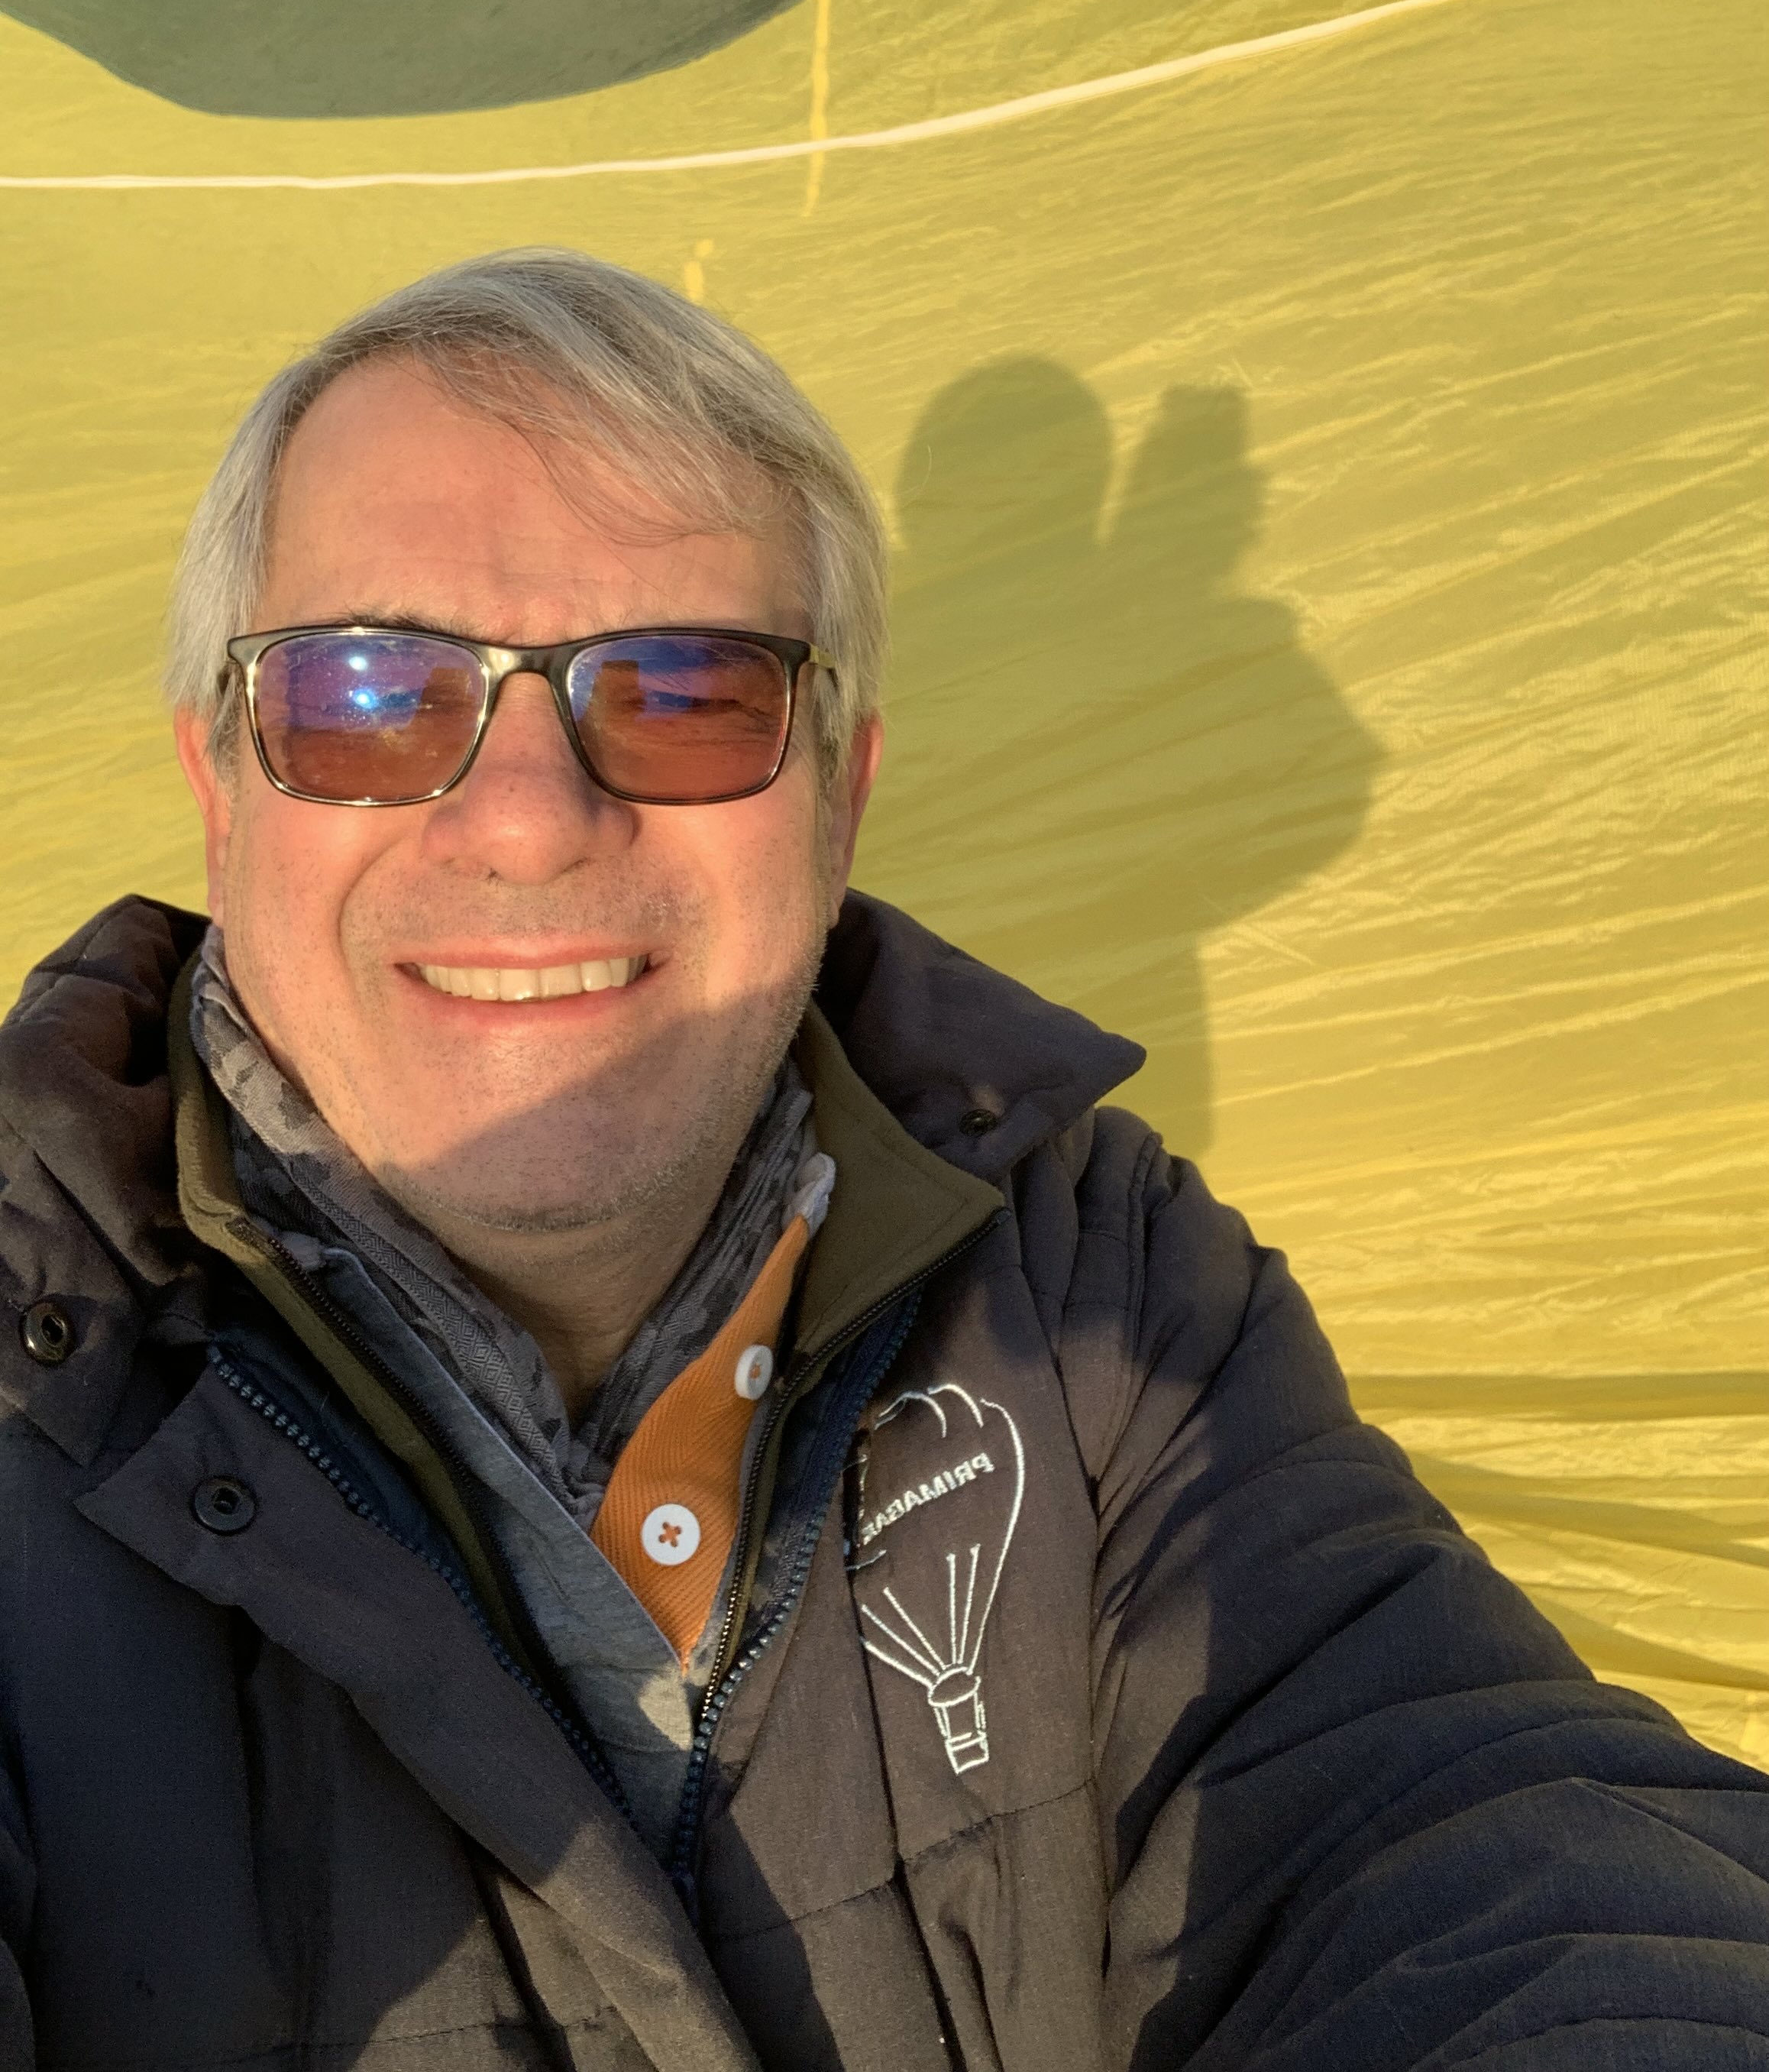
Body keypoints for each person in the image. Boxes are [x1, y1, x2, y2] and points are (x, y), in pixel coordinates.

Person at [1, 249, 1764, 2072]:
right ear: (220, 788)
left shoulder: (1094, 1282)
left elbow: (1460, 1818)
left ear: (840, 801)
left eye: (686, 693)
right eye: (370, 696)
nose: (527, 821)